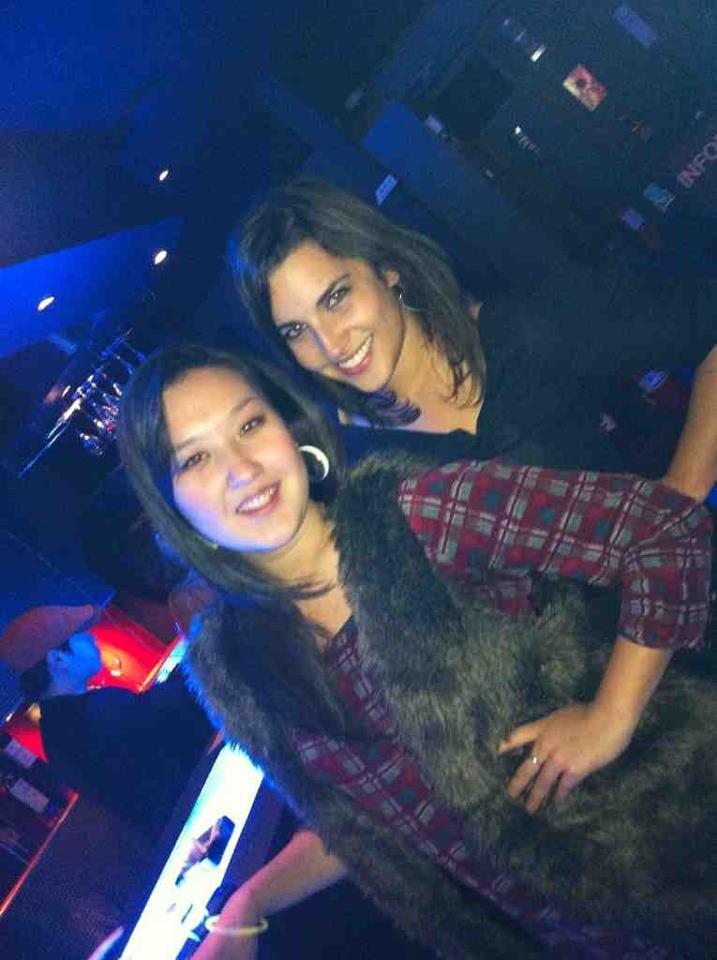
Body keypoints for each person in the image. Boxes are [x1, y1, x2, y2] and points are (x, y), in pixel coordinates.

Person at [117, 344, 714, 958]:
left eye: (249, 424)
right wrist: (248, 902)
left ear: (289, 429)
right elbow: (370, 823)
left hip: (681, 845)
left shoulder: (411, 516)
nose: (242, 468)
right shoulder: (239, 671)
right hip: (578, 938)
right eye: (196, 458)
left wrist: (611, 715)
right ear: (171, 506)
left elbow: (663, 532)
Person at [234, 177, 717, 499]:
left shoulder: (521, 333)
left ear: (388, 269)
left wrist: (682, 494)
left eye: (336, 297)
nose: (330, 345)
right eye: (295, 331)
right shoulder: (351, 460)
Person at [6, 605, 213, 836]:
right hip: (203, 800)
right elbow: (185, 706)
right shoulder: (94, 711)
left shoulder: (54, 737)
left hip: (178, 827)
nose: (91, 637)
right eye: (80, 634)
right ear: (58, 659)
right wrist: (200, 642)